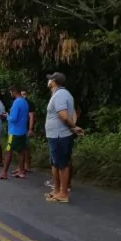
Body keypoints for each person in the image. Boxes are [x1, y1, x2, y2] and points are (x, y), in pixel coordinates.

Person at [44, 73, 84, 203]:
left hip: (60, 135)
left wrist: (73, 127)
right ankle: (57, 190)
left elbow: (64, 116)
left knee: (62, 164)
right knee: (55, 163)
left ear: (54, 81)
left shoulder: (61, 94)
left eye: (50, 79)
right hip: (55, 135)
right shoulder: (57, 94)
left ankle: (63, 193)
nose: (48, 81)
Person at [0, 86, 29, 180]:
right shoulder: (24, 101)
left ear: (13, 91)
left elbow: (13, 118)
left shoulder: (17, 102)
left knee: (8, 152)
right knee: (21, 152)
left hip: (14, 132)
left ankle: (4, 173)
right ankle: (21, 171)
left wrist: (7, 116)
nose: (10, 94)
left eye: (10, 92)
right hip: (22, 131)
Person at [16, 90, 36, 176]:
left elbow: (32, 117)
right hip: (20, 127)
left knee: (24, 147)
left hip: (26, 127)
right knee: (23, 147)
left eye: (24, 94)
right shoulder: (18, 103)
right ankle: (22, 166)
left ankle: (26, 166)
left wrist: (30, 129)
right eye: (21, 94)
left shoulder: (29, 103)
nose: (23, 96)